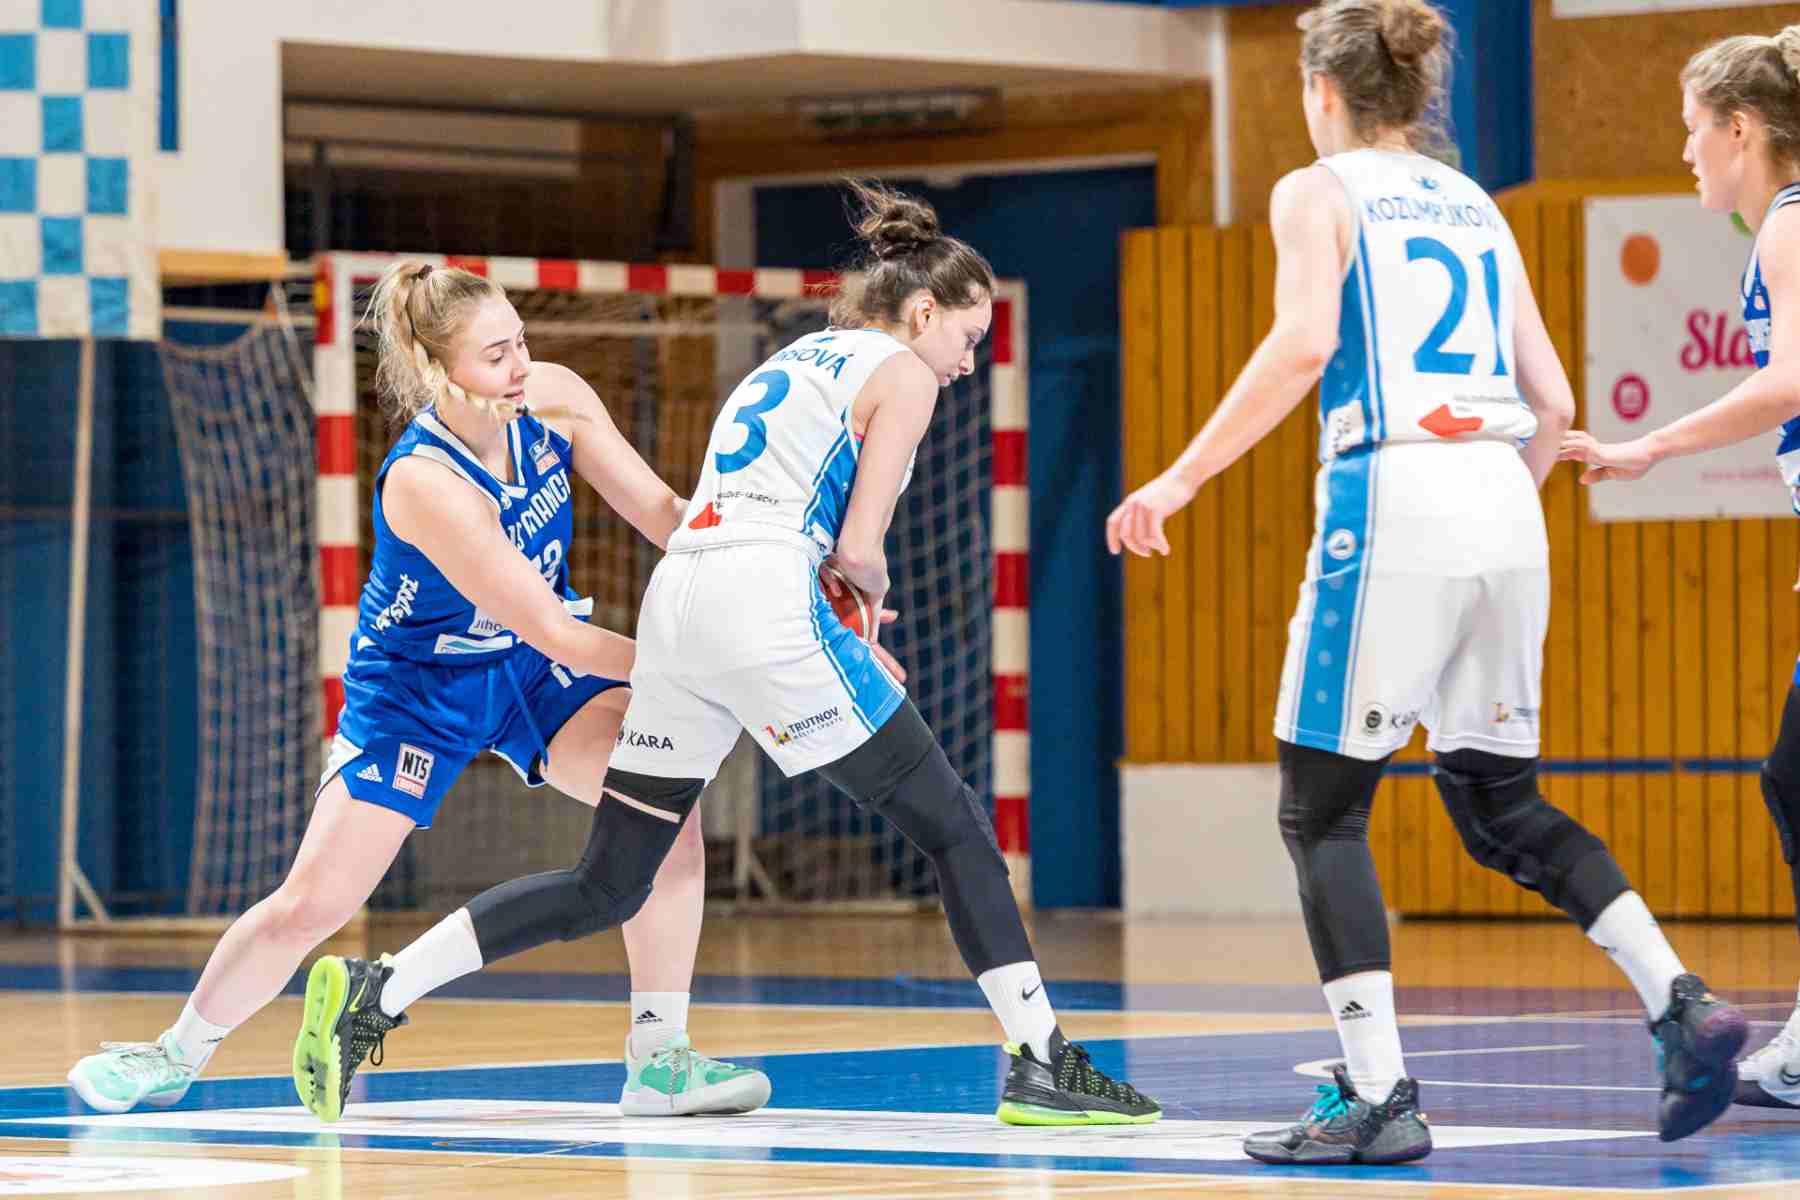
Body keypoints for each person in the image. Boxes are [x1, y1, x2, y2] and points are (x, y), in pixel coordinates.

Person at [308, 180, 1161, 1127]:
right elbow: (859, 553)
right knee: (955, 826)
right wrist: (858, 625)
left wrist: (820, 635)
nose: (967, 363)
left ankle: (381, 989)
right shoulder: (904, 373)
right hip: (764, 607)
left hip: (681, 600)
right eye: (967, 337)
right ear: (923, 313)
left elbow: (718, 515)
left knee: (611, 880)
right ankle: (1042, 1061)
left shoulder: (791, 358)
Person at [1109, 0, 1747, 1163]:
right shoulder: (1474, 204)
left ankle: (1377, 1096)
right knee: (1499, 802)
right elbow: (1555, 404)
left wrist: (1181, 476)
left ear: (1322, 92)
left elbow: (1305, 344)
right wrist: (1493, 509)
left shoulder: (1318, 189)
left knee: (1321, 809)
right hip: (1504, 497)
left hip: (1393, 489)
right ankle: (1681, 1001)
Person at [68, 261, 768, 1123]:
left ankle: (657, 1059)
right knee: (315, 904)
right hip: (419, 693)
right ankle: (174, 1054)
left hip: (526, 670)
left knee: (666, 808)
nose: (521, 366)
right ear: (439, 371)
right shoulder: (426, 481)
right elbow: (560, 631)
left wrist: (768, 572)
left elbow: (664, 513)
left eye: (521, 342)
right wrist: (722, 663)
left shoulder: (554, 399)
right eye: (495, 356)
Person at [1562, 25, 1800, 1116]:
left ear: (1740, 128)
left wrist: (1650, 444)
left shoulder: (1789, 223)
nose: (1686, 148)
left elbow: (1789, 381)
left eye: (1692, 127)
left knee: (1793, 780)